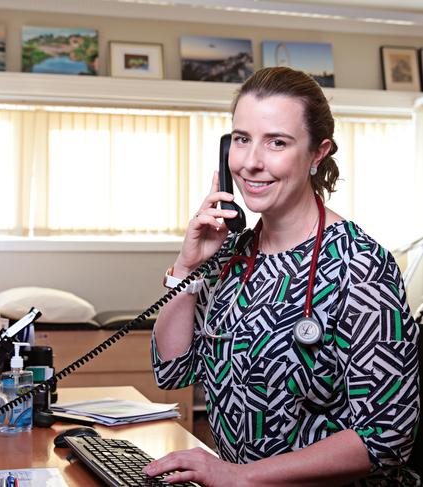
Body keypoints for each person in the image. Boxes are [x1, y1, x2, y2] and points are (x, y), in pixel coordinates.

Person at [145, 67, 420, 486]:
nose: (251, 163)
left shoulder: (361, 267)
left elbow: (385, 437)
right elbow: (172, 372)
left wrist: (241, 476)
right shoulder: (231, 254)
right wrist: (186, 268)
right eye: (241, 140)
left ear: (317, 153)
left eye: (277, 142)